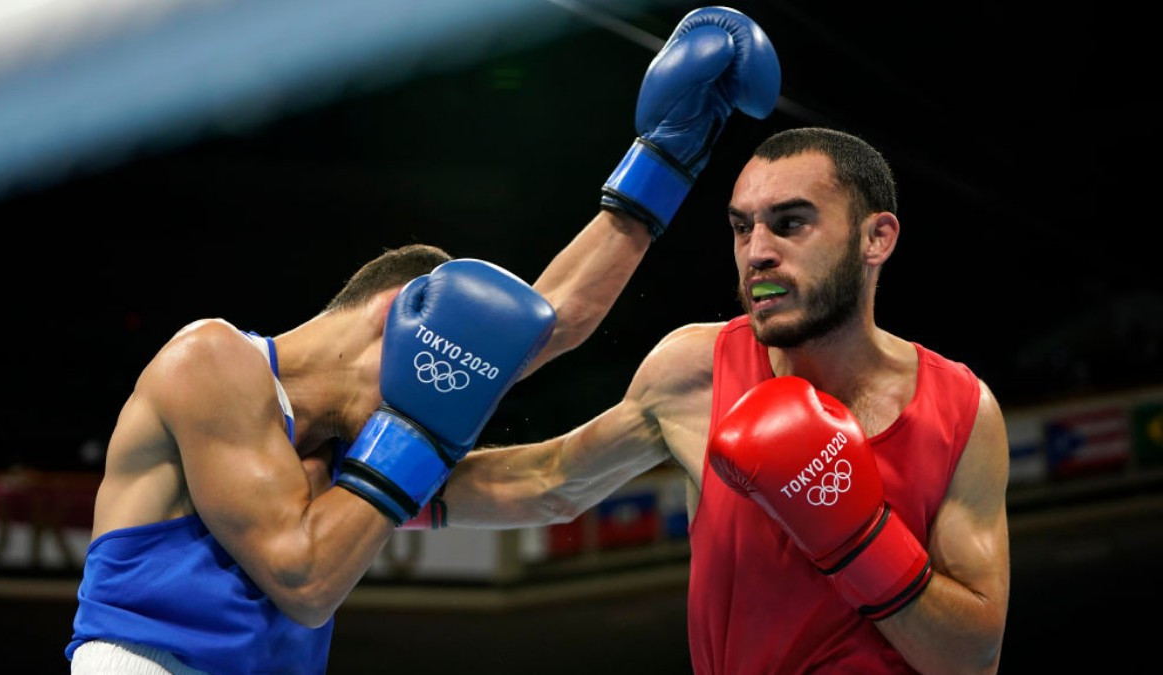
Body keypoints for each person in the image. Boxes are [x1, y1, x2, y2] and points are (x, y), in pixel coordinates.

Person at [64, 6, 782, 674]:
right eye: (437, 367)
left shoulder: (363, 461)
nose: (446, 392)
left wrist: (665, 163)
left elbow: (547, 468)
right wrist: (414, 428)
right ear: (392, 313)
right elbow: (303, 577)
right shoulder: (213, 362)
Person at [434, 125, 1011, 674]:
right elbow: (548, 480)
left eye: (789, 224)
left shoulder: (960, 408)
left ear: (875, 238)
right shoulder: (697, 371)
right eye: (742, 227)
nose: (757, 251)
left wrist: (857, 538)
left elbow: (970, 658)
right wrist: (367, 484)